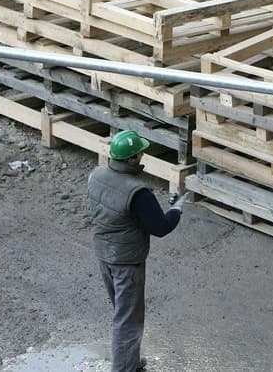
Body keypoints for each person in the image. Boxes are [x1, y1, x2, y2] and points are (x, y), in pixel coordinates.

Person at [87, 130, 187, 372]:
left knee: (123, 312)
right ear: (132, 159)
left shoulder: (97, 175)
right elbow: (160, 227)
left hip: (104, 255)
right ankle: (123, 369)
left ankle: (129, 361)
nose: (143, 155)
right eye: (140, 153)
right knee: (127, 321)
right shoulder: (138, 192)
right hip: (127, 263)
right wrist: (176, 209)